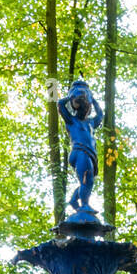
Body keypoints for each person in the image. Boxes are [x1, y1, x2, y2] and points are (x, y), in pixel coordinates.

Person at [57, 79, 104, 214]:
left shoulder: (90, 123)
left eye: (88, 107)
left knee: (87, 182)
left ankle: (74, 200)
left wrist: (94, 100)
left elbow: (100, 115)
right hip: (80, 151)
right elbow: (60, 104)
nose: (87, 108)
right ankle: (84, 205)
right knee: (87, 180)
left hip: (89, 154)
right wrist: (71, 96)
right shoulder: (72, 121)